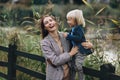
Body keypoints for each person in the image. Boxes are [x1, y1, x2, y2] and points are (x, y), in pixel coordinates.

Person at [40, 15, 93, 80]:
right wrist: (70, 54)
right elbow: (55, 61)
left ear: (55, 22)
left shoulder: (66, 36)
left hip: (69, 76)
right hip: (55, 77)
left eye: (51, 20)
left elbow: (79, 43)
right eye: (46, 23)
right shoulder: (45, 43)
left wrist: (90, 46)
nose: (50, 23)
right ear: (45, 28)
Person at [63, 9, 94, 80]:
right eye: (67, 20)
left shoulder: (79, 28)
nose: (68, 22)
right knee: (72, 66)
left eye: (70, 20)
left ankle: (81, 78)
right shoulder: (73, 28)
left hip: (80, 50)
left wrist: (68, 36)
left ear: (76, 20)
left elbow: (78, 38)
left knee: (78, 66)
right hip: (75, 50)